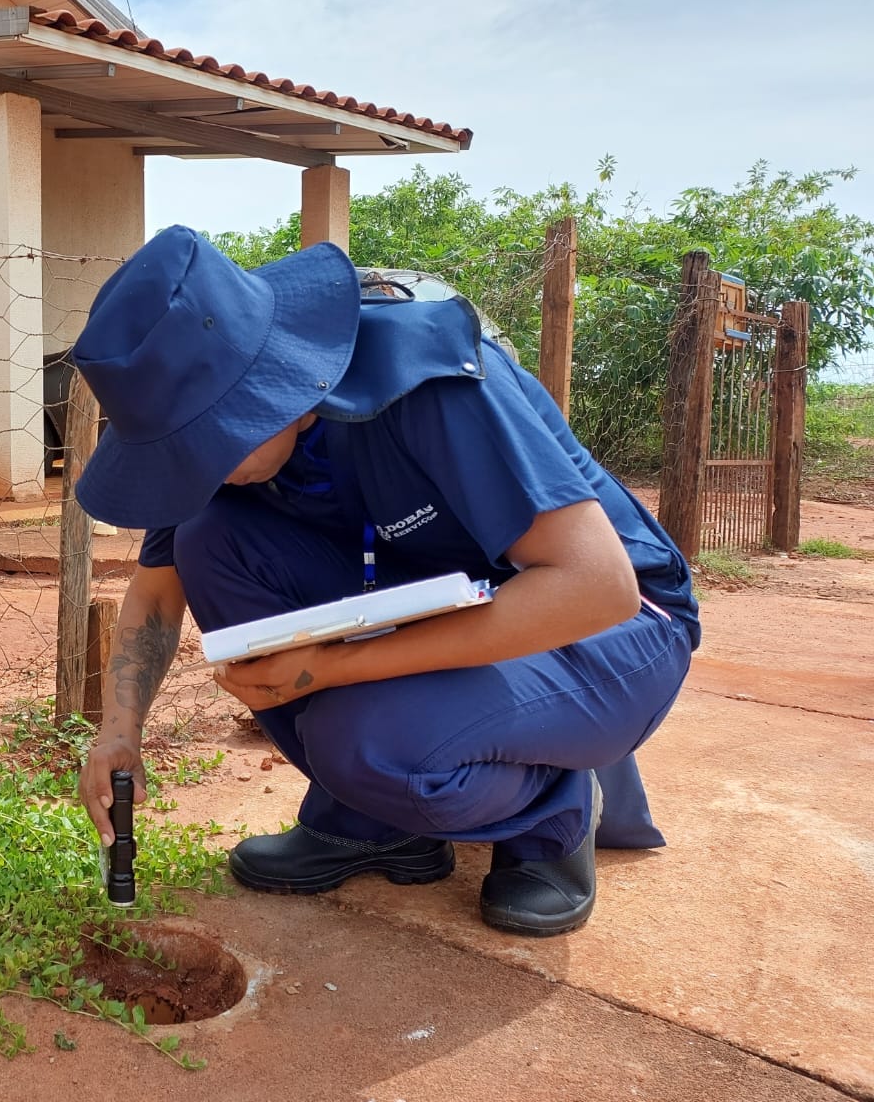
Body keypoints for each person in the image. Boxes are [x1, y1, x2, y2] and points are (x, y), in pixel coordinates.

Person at [72, 225, 698, 937]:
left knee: (366, 743)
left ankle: (554, 812)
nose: (196, 469)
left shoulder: (423, 375)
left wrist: (331, 666)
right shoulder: (214, 456)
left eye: (205, 444)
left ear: (268, 385)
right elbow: (158, 591)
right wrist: (118, 734)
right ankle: (375, 821)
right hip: (443, 601)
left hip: (612, 628)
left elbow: (597, 587)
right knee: (209, 538)